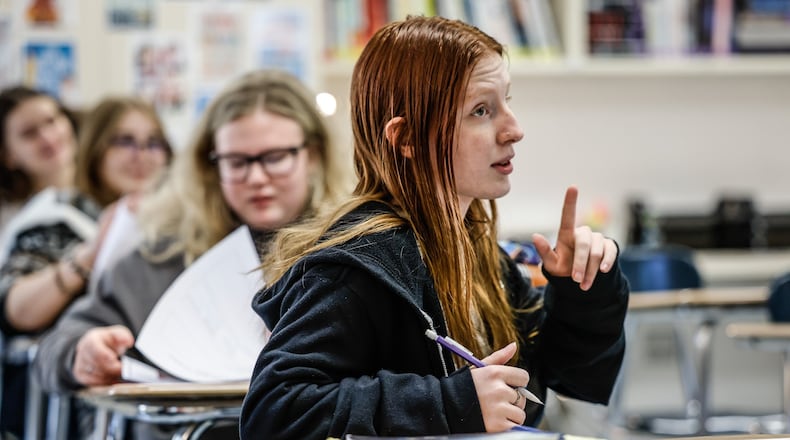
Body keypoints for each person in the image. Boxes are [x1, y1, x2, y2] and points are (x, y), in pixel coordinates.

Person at [239, 15, 630, 439]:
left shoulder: (478, 252)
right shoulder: (356, 269)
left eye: (506, 102)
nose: (514, 130)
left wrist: (581, 288)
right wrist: (450, 403)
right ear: (405, 138)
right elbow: (272, 411)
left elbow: (565, 376)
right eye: (481, 110)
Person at [34, 70, 349, 439]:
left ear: (312, 155)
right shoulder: (166, 253)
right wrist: (81, 353)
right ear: (210, 165)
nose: (257, 178)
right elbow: (58, 344)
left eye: (276, 157)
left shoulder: (352, 249)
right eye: (237, 162)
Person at [0, 95, 171, 439]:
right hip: (72, 409)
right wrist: (89, 255)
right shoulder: (60, 217)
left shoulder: (181, 226)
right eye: (124, 141)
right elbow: (14, 309)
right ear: (95, 150)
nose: (141, 155)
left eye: (154, 142)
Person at [0, 86, 79, 234]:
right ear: (8, 156)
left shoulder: (107, 192)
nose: (47, 137)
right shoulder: (14, 226)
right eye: (29, 133)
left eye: (51, 121)